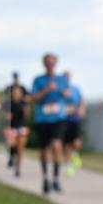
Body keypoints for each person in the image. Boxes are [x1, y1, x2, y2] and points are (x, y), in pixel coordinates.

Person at [30, 53, 69, 194]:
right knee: (44, 150)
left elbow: (67, 94)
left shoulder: (62, 79)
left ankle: (56, 178)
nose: (50, 65)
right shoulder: (38, 80)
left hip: (58, 118)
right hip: (43, 119)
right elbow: (33, 98)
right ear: (44, 64)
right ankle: (46, 178)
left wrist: (64, 93)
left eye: (52, 62)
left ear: (56, 63)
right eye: (47, 62)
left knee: (57, 146)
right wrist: (47, 90)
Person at [61, 70, 85, 176]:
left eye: (67, 77)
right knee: (66, 144)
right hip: (63, 120)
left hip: (75, 119)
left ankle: (74, 153)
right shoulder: (60, 90)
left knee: (77, 142)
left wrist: (81, 110)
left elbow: (81, 101)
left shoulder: (75, 89)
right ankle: (69, 165)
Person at [4, 72, 29, 168]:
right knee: (12, 144)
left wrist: (26, 110)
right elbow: (4, 112)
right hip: (11, 126)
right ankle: (12, 155)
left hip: (21, 126)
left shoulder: (23, 103)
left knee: (21, 145)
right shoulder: (8, 102)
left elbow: (26, 115)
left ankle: (19, 166)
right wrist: (7, 115)